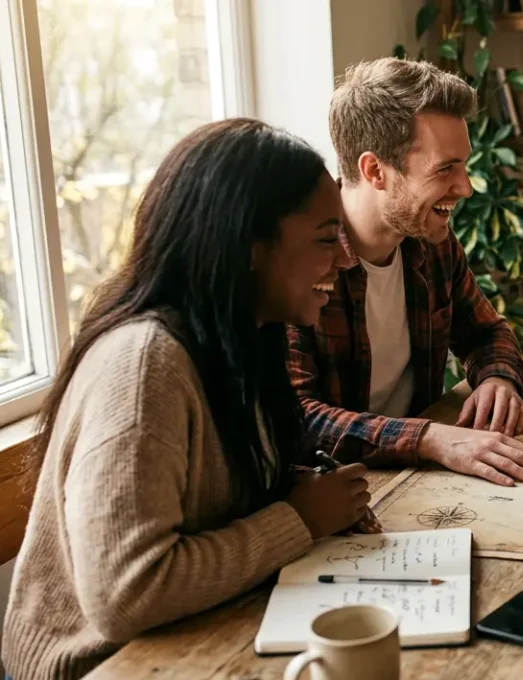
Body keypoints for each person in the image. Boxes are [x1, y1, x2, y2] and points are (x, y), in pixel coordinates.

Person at [0, 119, 372, 679]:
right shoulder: (145, 365)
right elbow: (126, 594)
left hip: (199, 635)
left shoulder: (247, 339)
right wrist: (296, 519)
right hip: (101, 666)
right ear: (250, 245)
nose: (345, 261)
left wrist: (300, 487)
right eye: (326, 238)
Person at [286, 58, 523, 488]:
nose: (466, 187)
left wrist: (498, 378)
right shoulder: (300, 265)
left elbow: (487, 334)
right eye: (446, 168)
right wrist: (430, 439)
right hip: (345, 494)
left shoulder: (433, 244)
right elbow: (298, 419)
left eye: (463, 166)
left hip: (423, 481)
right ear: (375, 171)